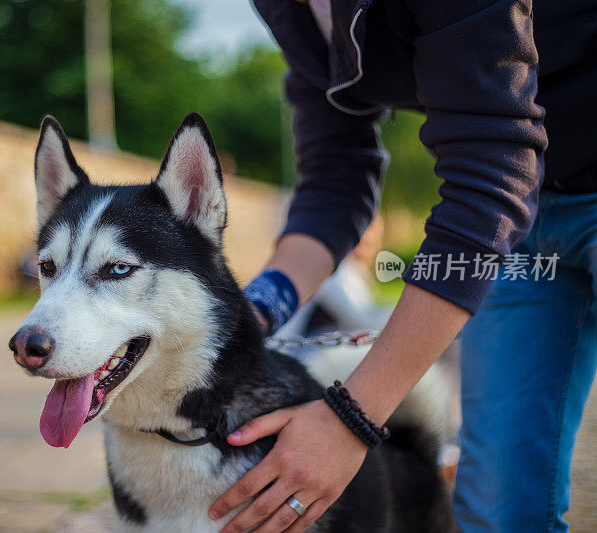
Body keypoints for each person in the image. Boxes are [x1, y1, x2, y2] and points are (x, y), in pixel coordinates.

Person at [206, 1, 597, 532]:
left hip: (505, 198)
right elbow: (334, 178)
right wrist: (244, 318)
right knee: (499, 511)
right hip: (525, 223)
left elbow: (488, 181)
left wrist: (351, 418)